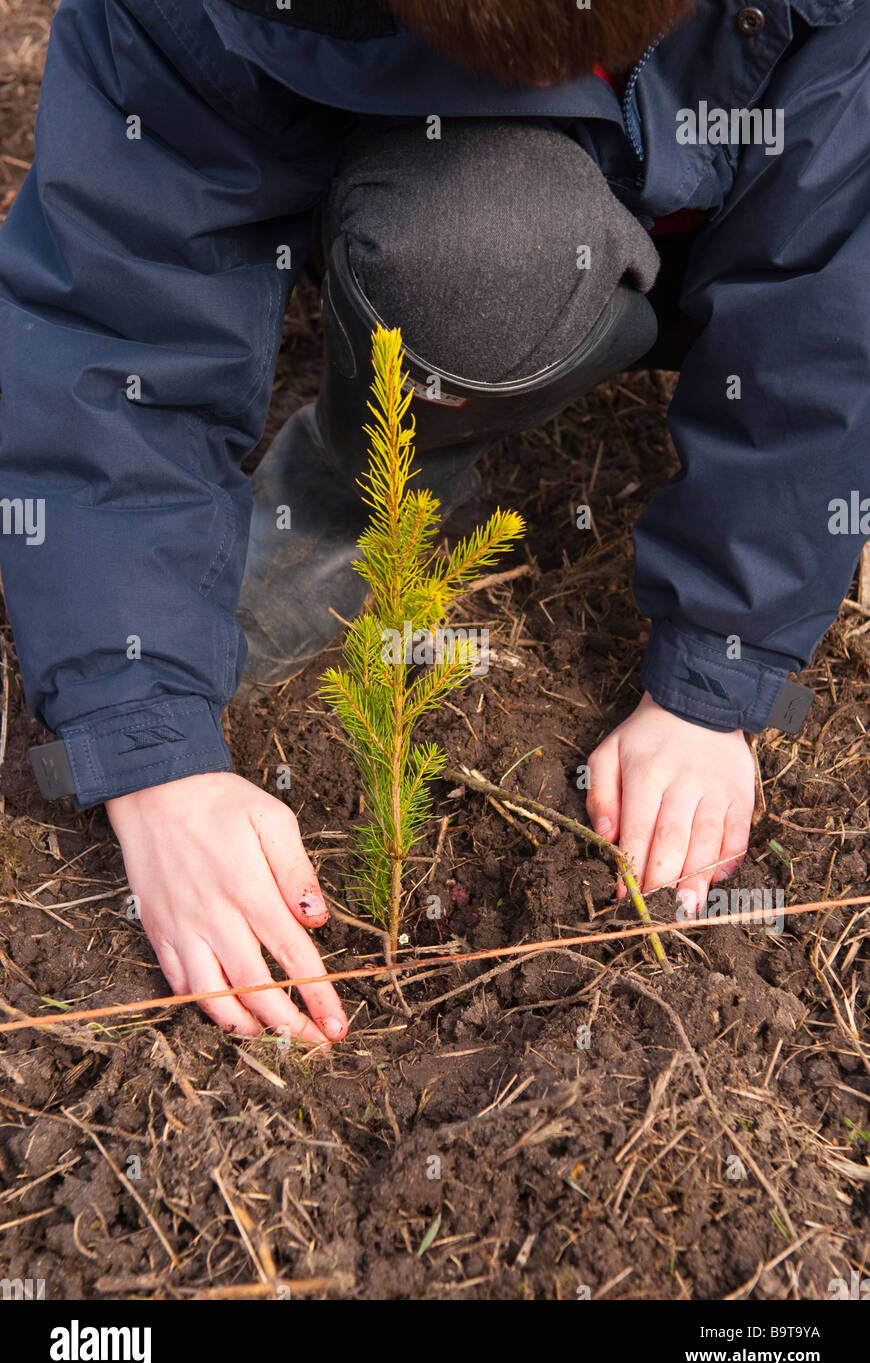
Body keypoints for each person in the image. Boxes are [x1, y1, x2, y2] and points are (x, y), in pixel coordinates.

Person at [1, 0, 866, 1041]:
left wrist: (722, 673)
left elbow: (832, 314)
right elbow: (111, 322)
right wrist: (149, 751)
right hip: (491, 218)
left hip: (747, 196)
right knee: (471, 259)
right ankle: (385, 466)